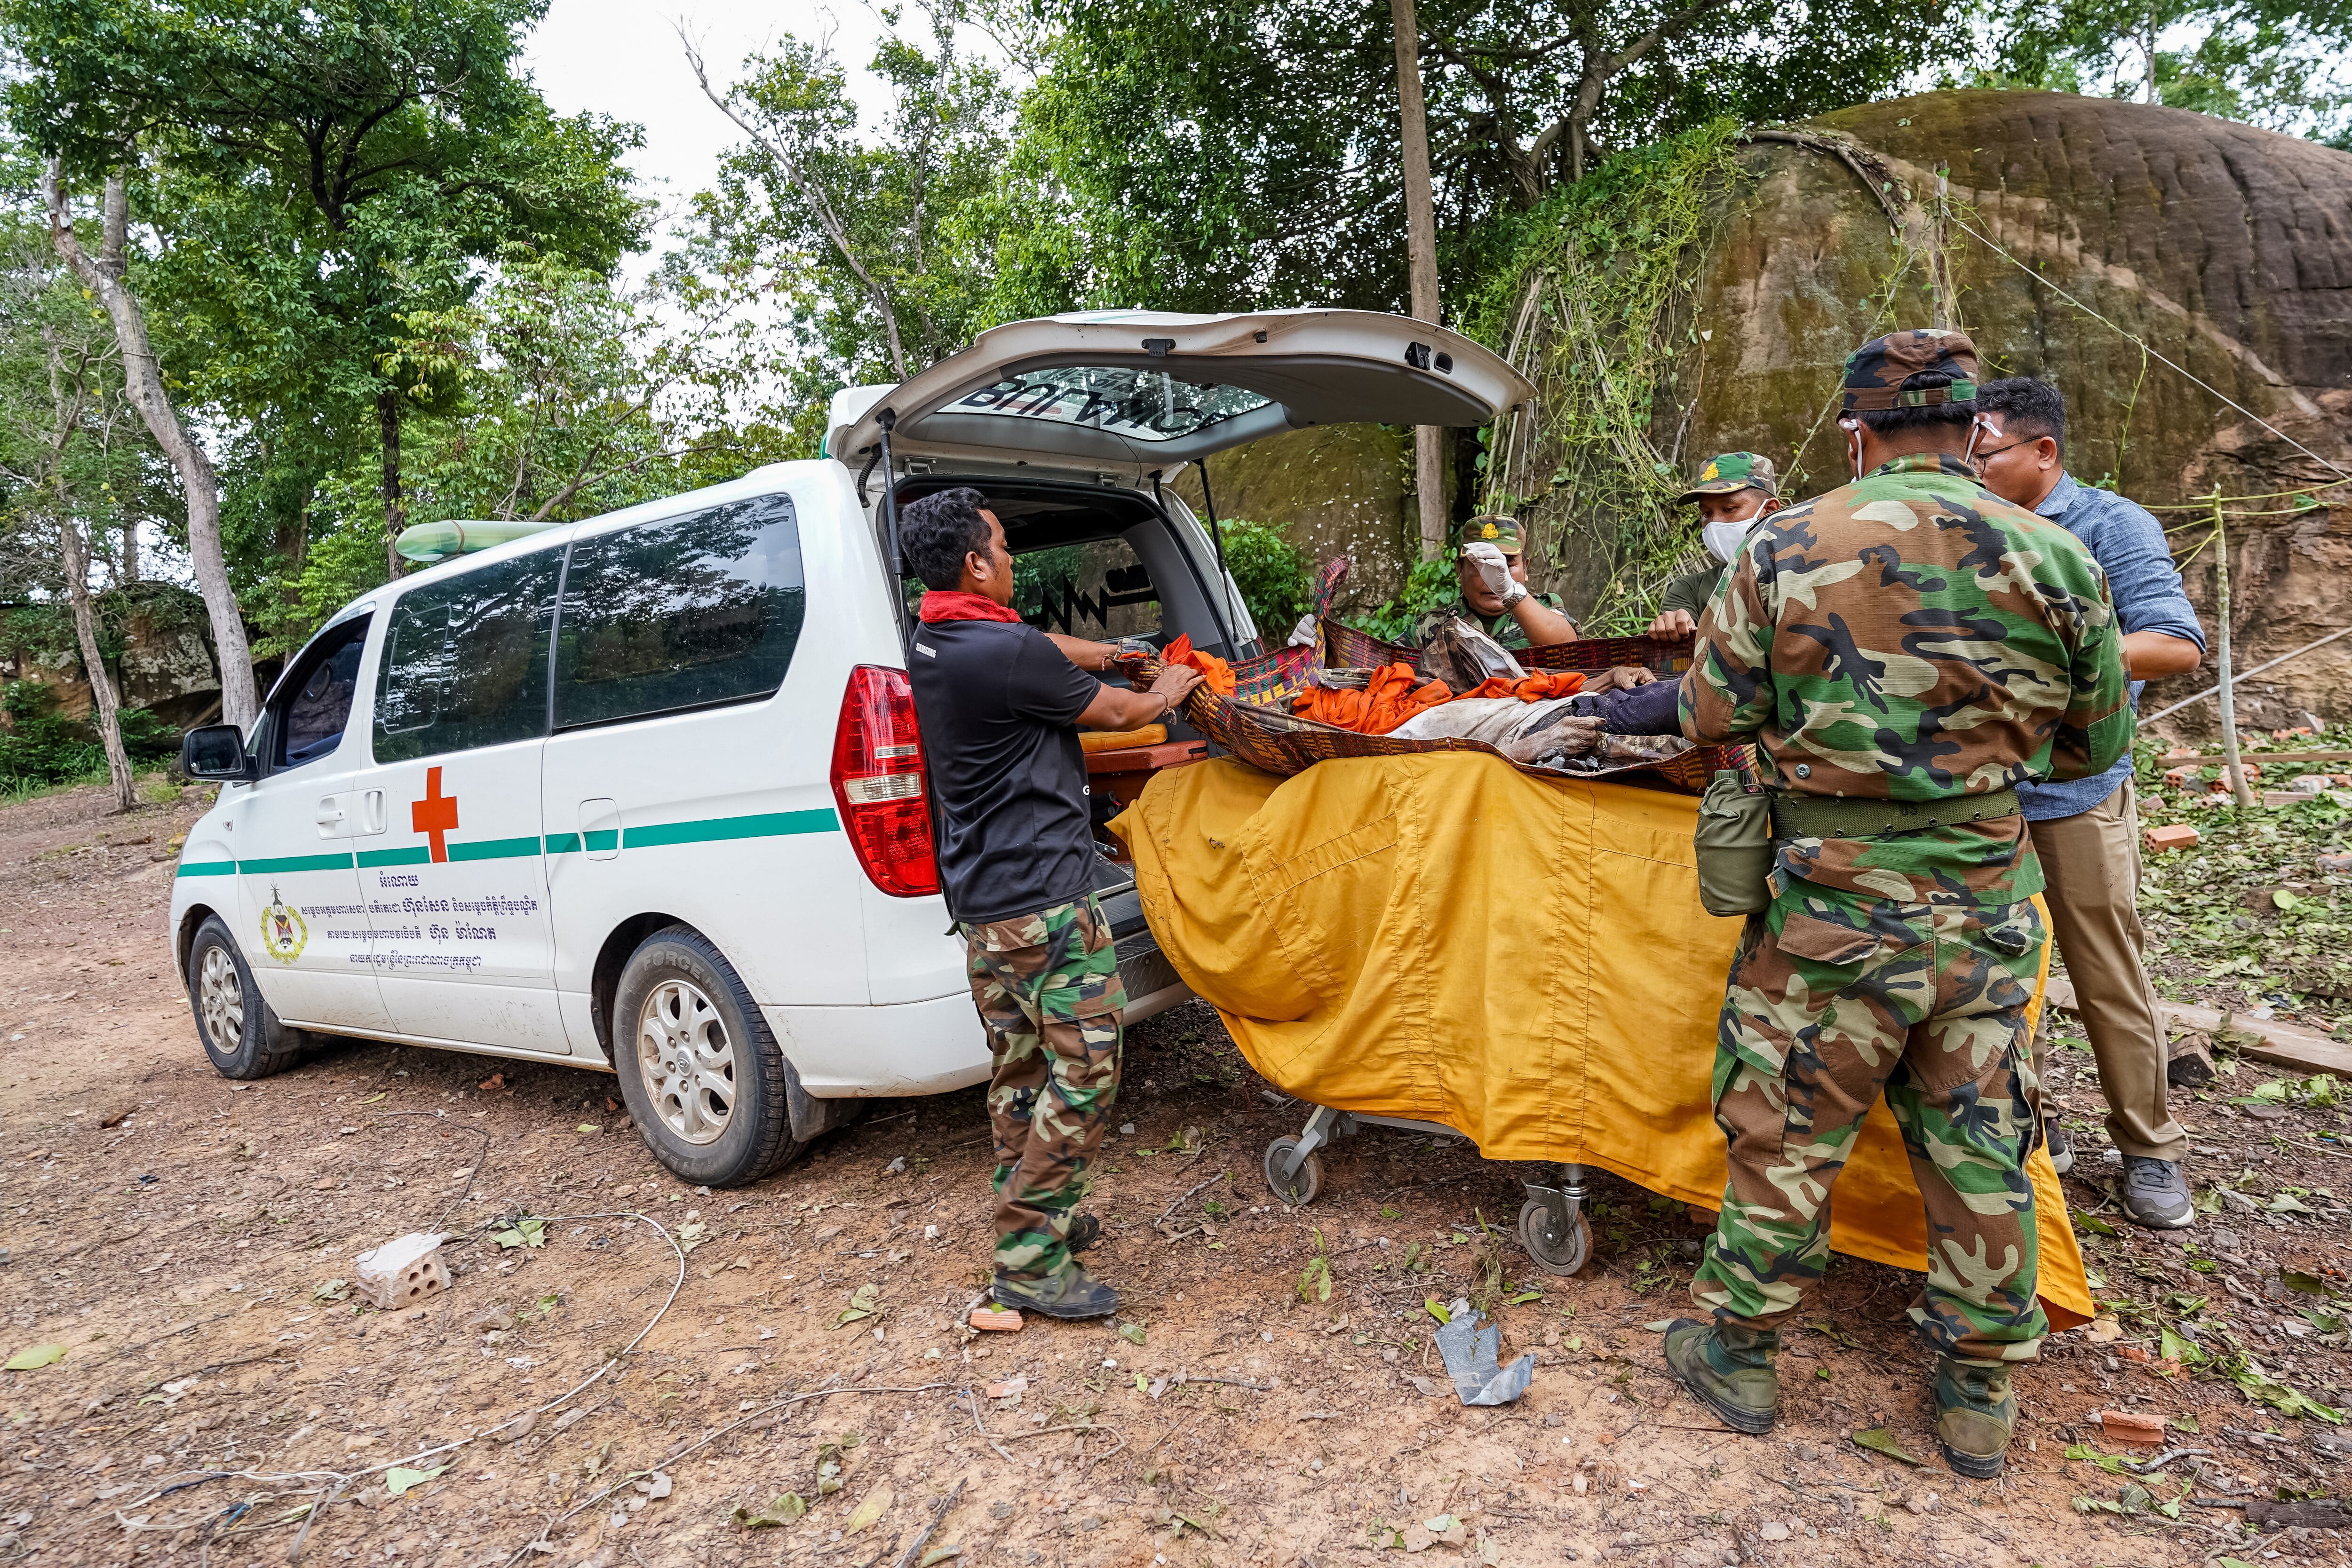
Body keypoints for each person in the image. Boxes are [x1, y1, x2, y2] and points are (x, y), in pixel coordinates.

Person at [1667, 330, 2132, 1479]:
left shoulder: (1783, 543)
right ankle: (1977, 1391)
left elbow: (1709, 718)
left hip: (1832, 911)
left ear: (1854, 430)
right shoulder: (2055, 555)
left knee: (1785, 1127)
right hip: (1983, 907)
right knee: (1980, 1138)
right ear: (1974, 430)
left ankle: (1740, 1355)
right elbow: (2096, 741)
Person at [899, 486, 1203, 1320]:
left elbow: (1035, 645)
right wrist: (1168, 683)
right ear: (975, 562)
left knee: (1022, 1066)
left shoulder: (934, 634)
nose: (1011, 555)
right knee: (1086, 1068)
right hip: (1045, 900)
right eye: (1002, 543)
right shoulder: (1001, 656)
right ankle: (1029, 1257)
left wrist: (1105, 651)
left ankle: (1040, 1220)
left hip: (984, 900)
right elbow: (1124, 715)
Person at [1976, 376, 2207, 1229]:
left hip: (2074, 794)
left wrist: (2056, 652)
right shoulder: (1967, 528)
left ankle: (2150, 1146)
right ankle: (2037, 1126)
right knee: (1997, 972)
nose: (1973, 468)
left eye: (1987, 453)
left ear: (2044, 452)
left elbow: (2176, 645)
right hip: (1983, 793)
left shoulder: (2111, 526)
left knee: (2105, 970)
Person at [1648, 453, 1785, 640]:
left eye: (1729, 509)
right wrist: (1675, 624)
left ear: (1770, 510)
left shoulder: (1801, 575)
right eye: (1707, 513)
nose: (1714, 523)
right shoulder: (1691, 589)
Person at [1412, 515, 1579, 649]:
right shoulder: (1430, 625)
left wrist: (1510, 593)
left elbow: (1571, 651)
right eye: (1481, 563)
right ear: (1460, 570)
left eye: (1508, 563)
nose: (1494, 576)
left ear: (1525, 569)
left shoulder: (1545, 609)